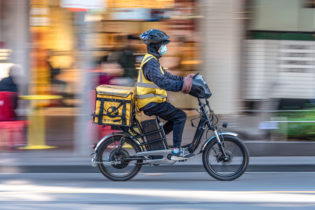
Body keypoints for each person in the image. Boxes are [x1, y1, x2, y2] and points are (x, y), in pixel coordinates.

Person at [136, 29, 194, 158]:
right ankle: (176, 151)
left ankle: (156, 141)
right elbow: (163, 82)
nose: (164, 47)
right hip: (150, 103)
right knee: (180, 116)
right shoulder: (150, 63)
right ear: (155, 45)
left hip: (153, 102)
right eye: (163, 44)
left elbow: (168, 76)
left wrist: (185, 80)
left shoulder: (153, 61)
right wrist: (182, 86)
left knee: (175, 118)